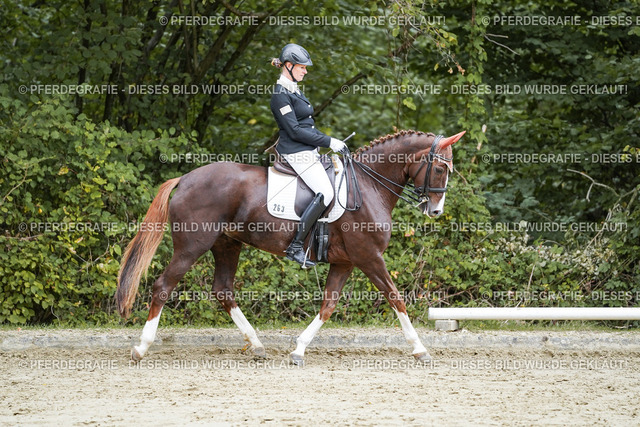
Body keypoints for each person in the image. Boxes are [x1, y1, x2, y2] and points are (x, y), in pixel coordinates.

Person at [270, 43, 345, 268]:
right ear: (289, 66)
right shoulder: (280, 95)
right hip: (295, 152)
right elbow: (294, 131)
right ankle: (295, 246)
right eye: (302, 67)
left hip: (308, 150)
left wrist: (330, 141)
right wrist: (329, 142)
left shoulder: (294, 89)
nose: (305, 71)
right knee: (326, 192)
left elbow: (308, 126)